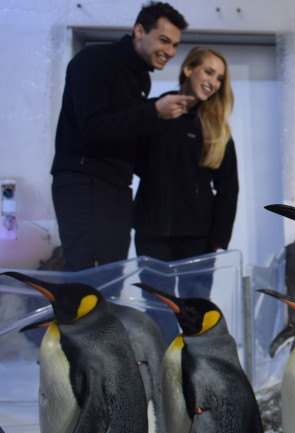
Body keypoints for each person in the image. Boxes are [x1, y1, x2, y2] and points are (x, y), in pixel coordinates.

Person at [51, 2, 191, 271]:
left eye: (175, 45)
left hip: (118, 186)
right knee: (86, 273)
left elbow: (128, 135)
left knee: (113, 272)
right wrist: (153, 112)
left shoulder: (141, 79)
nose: (170, 52)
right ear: (139, 31)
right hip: (83, 180)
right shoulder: (93, 61)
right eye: (164, 40)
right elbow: (92, 127)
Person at [133, 46, 239, 303]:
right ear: (188, 69)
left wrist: (218, 240)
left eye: (219, 78)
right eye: (209, 72)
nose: (214, 83)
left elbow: (228, 189)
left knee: (196, 314)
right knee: (157, 310)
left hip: (198, 240)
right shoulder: (152, 111)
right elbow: (131, 162)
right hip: (151, 234)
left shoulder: (217, 129)